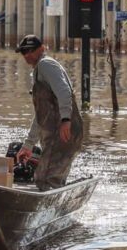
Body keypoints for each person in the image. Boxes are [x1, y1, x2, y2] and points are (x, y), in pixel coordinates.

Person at [14, 35, 84, 190]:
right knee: (51, 178)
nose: (27, 55)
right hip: (57, 135)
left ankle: (45, 209)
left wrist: (65, 120)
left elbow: (64, 91)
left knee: (45, 179)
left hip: (62, 133)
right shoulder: (39, 71)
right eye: (24, 52)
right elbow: (41, 116)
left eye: (31, 51)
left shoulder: (46, 65)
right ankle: (57, 202)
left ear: (42, 49)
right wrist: (29, 144)